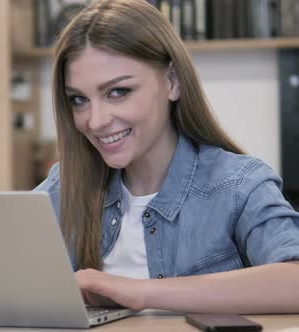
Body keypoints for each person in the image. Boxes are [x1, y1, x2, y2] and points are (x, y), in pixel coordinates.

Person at [34, 0, 299, 314]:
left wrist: (140, 292)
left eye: (118, 92)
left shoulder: (239, 185)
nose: (95, 121)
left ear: (172, 81)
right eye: (79, 99)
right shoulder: (62, 188)